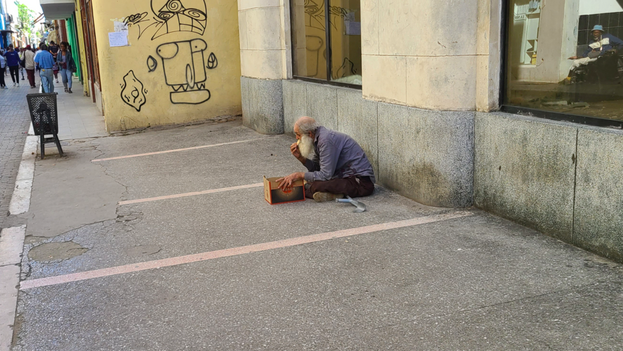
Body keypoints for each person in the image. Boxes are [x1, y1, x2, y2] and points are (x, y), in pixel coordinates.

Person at [277, 116, 375, 201]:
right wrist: (302, 158)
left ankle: (332, 194)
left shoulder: (326, 140)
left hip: (361, 182)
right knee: (311, 181)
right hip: (343, 177)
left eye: (298, 134)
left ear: (309, 134)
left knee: (315, 185)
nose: (297, 138)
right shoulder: (317, 138)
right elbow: (317, 168)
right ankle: (333, 194)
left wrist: (299, 175)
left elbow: (325, 175)